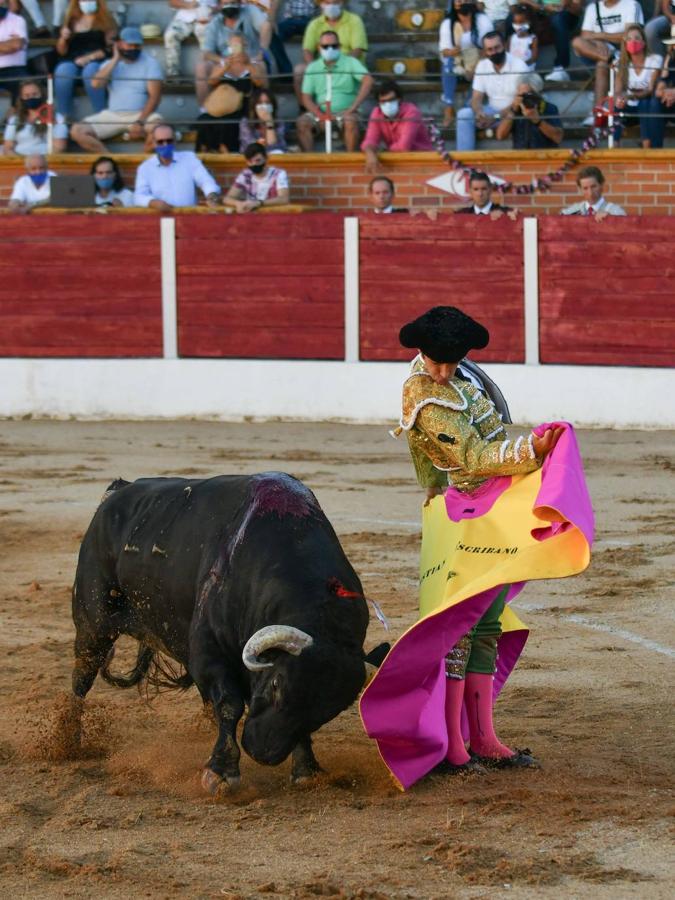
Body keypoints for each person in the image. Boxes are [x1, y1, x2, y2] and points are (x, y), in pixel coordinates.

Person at [396, 306, 563, 771]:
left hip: (492, 508)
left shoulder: (462, 373)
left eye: (452, 361)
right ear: (421, 352)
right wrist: (532, 450)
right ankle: (453, 745)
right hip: (468, 513)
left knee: (486, 622)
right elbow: (472, 456)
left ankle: (484, 738)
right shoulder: (425, 397)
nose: (444, 372)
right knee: (460, 630)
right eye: (437, 362)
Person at [70, 26, 164, 153]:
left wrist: (140, 121)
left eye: (137, 45)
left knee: (160, 130)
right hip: (113, 115)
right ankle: (110, 160)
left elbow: (155, 97)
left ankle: (143, 163)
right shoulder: (110, 64)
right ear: (119, 44)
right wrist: (115, 60)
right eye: (130, 45)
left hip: (140, 114)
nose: (134, 49)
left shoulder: (150, 63)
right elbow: (95, 84)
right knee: (77, 131)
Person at [297, 29, 373, 152]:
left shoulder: (351, 62)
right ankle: (309, 164)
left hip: (347, 112)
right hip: (320, 112)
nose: (330, 49)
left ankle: (350, 161)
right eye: (325, 46)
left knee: (350, 121)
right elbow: (306, 97)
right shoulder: (312, 67)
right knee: (302, 122)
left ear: (340, 46)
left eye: (334, 45)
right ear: (319, 47)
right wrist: (319, 114)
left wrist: (352, 108)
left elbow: (368, 80)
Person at [456, 30, 529, 151]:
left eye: (497, 47)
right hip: (491, 111)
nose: (494, 52)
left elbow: (520, 101)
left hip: (514, 113)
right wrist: (480, 113)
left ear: (504, 46)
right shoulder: (482, 66)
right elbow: (476, 98)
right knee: (464, 115)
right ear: (485, 52)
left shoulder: (519, 65)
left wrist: (495, 117)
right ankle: (464, 163)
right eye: (490, 49)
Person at [195, 32, 267, 152]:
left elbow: (260, 83)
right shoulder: (222, 64)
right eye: (233, 44)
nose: (236, 47)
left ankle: (226, 151)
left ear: (245, 45)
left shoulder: (253, 64)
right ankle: (204, 151)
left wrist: (247, 64)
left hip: (244, 105)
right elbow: (211, 82)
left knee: (229, 122)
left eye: (239, 44)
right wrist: (225, 67)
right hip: (223, 105)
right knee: (204, 119)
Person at [573, 0, 644, 108]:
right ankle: (612, 61)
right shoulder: (593, 7)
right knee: (577, 42)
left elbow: (631, 35)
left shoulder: (631, 4)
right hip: (600, 51)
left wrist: (601, 36)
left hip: (626, 52)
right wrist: (598, 41)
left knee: (602, 64)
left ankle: (599, 111)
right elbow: (585, 36)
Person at [295, 1, 368, 105]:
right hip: (322, 66)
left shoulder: (354, 20)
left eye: (335, 2)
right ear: (321, 4)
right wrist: (314, 67)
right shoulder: (314, 24)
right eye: (327, 2)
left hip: (349, 65)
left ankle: (350, 108)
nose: (331, 6)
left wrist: (342, 65)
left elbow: (358, 49)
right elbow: (307, 50)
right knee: (299, 71)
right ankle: (305, 108)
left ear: (342, 2)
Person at [53, 0, 117, 119]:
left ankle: (101, 116)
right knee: (62, 70)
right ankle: (64, 118)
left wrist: (90, 57)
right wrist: (62, 38)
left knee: (90, 71)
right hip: (73, 60)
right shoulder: (70, 20)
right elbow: (61, 51)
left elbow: (111, 48)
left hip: (97, 59)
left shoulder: (106, 20)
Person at [135, 123, 222, 210]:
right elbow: (138, 196)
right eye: (160, 142)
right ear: (154, 143)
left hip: (188, 216)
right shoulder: (145, 168)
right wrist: (152, 202)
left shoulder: (189, 158)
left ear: (175, 140)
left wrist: (212, 195)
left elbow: (206, 181)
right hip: (161, 217)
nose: (165, 145)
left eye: (169, 141)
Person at [196, 0, 266, 107]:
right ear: (219, 5)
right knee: (201, 67)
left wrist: (261, 52)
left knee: (261, 66)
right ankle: (206, 110)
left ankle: (264, 107)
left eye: (233, 2)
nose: (229, 5)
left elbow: (266, 27)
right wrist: (223, 61)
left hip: (250, 59)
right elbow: (207, 52)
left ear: (239, 3)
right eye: (225, 3)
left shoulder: (250, 11)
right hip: (226, 63)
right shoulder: (215, 23)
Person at [439, 1, 494, 127]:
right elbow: (445, 52)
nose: (460, 2)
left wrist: (475, 68)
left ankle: (466, 108)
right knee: (447, 63)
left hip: (479, 60)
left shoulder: (483, 20)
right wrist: (453, 51)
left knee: (483, 69)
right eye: (457, 0)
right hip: (459, 62)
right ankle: (449, 108)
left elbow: (489, 48)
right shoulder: (448, 24)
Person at [361, 80, 434, 174]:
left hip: (421, 160)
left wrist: (384, 151)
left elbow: (403, 146)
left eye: (391, 100)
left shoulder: (411, 112)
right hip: (396, 160)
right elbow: (370, 139)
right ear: (378, 103)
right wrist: (370, 153)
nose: (387, 104)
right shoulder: (377, 112)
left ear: (399, 99)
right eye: (383, 101)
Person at [614, 23, 662, 147]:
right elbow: (617, 90)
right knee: (617, 106)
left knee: (644, 102)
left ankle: (646, 144)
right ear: (625, 44)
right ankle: (615, 144)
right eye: (629, 39)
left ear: (644, 42)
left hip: (647, 106)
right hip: (629, 108)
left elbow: (650, 89)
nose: (633, 42)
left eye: (637, 38)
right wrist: (620, 98)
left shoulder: (654, 60)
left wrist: (632, 96)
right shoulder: (621, 64)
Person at [497, 72, 563, 148]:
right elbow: (500, 136)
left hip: (544, 157)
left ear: (539, 93)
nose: (526, 98)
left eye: (529, 95)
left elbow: (558, 138)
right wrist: (513, 111)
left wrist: (538, 121)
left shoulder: (549, 108)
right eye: (522, 95)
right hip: (521, 157)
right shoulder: (516, 110)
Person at [2, 79, 68, 155]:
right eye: (27, 95)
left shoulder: (57, 118)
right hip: (19, 161)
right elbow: (8, 147)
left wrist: (38, 162)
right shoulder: (14, 119)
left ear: (42, 95)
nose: (31, 98)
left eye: (34, 94)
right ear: (21, 98)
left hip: (45, 162)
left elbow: (59, 147)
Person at [223, 140, 289, 212]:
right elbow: (227, 199)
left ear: (266, 159)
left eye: (258, 160)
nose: (254, 164)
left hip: (272, 215)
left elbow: (284, 199)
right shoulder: (245, 175)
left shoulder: (278, 174)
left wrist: (258, 203)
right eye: (250, 162)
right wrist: (238, 203)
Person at [164, 0, 217, 79]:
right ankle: (173, 75)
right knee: (170, 35)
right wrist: (187, 4)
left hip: (207, 19)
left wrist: (213, 9)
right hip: (184, 18)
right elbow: (172, 2)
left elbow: (224, 3)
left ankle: (210, 75)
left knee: (207, 38)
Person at [268, 0, 315, 75]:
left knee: (321, 35)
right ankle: (286, 72)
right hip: (290, 21)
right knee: (271, 35)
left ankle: (315, 70)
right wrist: (272, 20)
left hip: (308, 21)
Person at [561, 165, 627, 217]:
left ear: (601, 185)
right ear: (580, 189)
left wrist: (611, 220)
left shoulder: (616, 212)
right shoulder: (570, 213)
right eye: (585, 188)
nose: (590, 192)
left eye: (593, 187)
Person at [238, 86, 287, 151]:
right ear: (254, 106)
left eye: (267, 102)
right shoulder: (245, 122)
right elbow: (250, 145)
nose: (264, 106)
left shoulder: (279, 122)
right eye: (260, 103)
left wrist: (269, 122)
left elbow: (273, 145)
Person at [0, 0, 28, 106]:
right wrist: (7, 44)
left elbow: (16, 45)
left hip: (15, 69)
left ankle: (13, 118)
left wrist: (12, 44)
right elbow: (12, 46)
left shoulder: (17, 20)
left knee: (25, 87)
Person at [654, 37, 675, 145]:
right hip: (669, 101)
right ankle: (654, 151)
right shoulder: (671, 59)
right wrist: (665, 92)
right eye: (673, 45)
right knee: (655, 103)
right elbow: (659, 88)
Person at [507, 5, 538, 71]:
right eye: (515, 22)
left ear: (529, 23)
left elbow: (534, 58)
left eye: (521, 22)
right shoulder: (511, 38)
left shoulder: (532, 39)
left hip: (527, 68)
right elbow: (507, 54)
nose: (518, 25)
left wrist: (522, 65)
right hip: (513, 68)